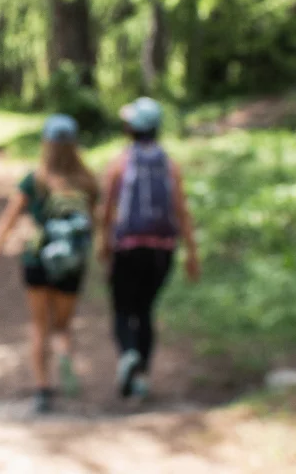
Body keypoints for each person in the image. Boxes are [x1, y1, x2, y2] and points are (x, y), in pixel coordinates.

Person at [0, 114, 101, 414]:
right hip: (71, 263)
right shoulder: (86, 181)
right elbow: (95, 223)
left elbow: (8, 221)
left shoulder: (35, 180)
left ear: (46, 143)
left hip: (37, 260)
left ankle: (43, 389)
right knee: (62, 326)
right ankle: (64, 353)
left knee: (39, 326)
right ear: (75, 145)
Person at [96, 97, 200, 401]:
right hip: (162, 251)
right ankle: (141, 375)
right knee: (145, 311)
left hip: (126, 249)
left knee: (121, 309)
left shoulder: (119, 163)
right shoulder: (170, 165)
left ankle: (128, 353)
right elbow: (181, 212)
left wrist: (104, 244)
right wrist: (192, 253)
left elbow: (106, 211)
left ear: (131, 128)